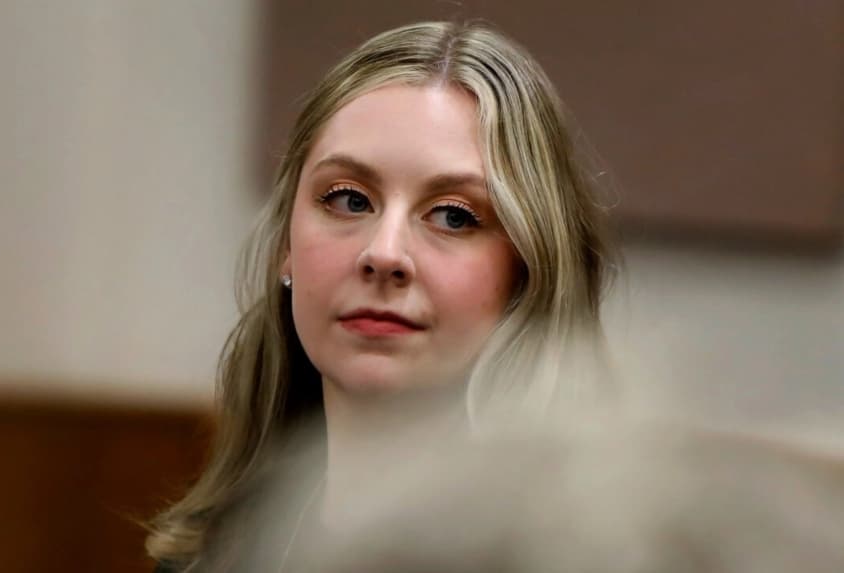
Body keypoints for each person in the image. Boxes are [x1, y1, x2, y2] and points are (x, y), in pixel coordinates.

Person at [146, 19, 612, 572]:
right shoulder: (209, 558)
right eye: (348, 200)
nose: (385, 253)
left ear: (530, 271)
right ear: (286, 247)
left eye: (454, 215)